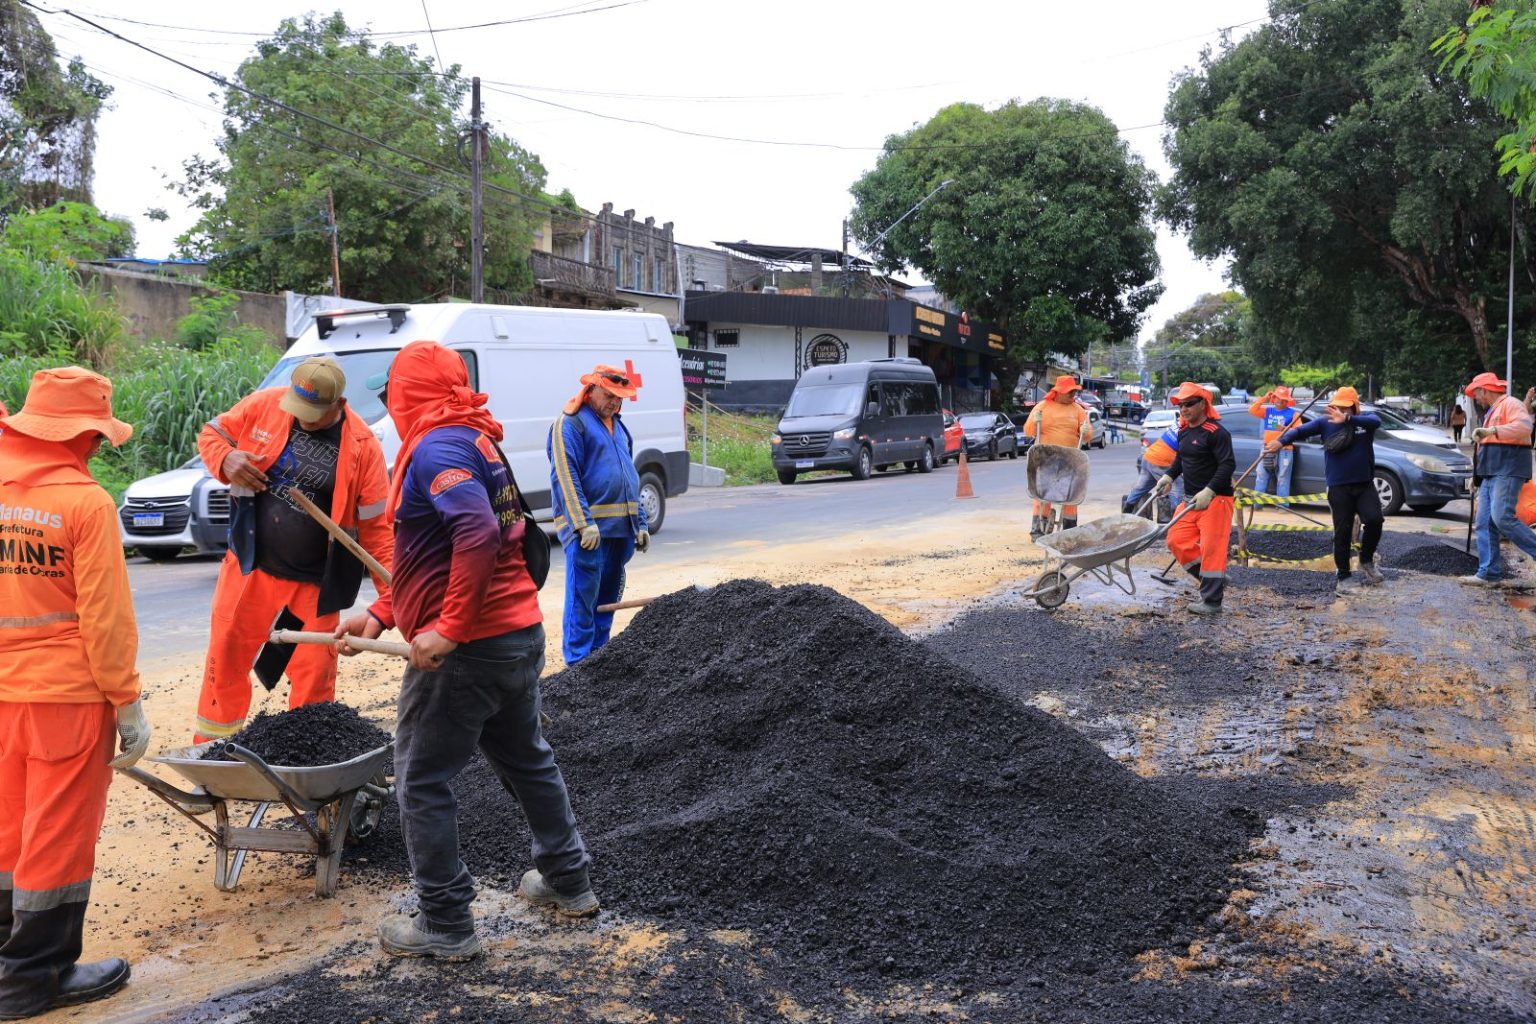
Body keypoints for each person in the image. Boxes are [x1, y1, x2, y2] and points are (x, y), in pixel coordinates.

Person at [335, 340, 595, 961]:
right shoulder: (475, 438)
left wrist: (449, 629)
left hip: (470, 652)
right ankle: (568, 880)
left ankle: (445, 921)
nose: (390, 405)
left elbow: (477, 533)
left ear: (409, 394)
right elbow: (437, 554)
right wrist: (382, 613)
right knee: (528, 761)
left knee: (420, 780)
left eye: (393, 392)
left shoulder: (437, 447)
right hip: (515, 636)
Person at [0, 367, 151, 1018]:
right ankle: (31, 980)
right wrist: (128, 702)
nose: (96, 446)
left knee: (7, 829)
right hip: (66, 697)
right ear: (80, 434)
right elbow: (106, 619)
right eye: (95, 435)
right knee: (57, 835)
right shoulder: (85, 502)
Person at [192, 357, 392, 742]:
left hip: (314, 586)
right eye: (298, 408)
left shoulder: (362, 447)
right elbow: (212, 434)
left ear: (338, 404)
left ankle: (305, 763)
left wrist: (393, 599)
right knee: (225, 662)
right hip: (250, 569)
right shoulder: (264, 405)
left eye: (313, 414)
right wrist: (226, 458)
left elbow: (377, 532)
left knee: (314, 681)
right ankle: (213, 754)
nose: (304, 419)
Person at [548, 363, 649, 666]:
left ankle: (598, 661)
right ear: (591, 389)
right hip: (589, 533)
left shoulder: (619, 427)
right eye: (609, 396)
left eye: (619, 398)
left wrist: (640, 523)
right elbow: (566, 476)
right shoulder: (570, 424)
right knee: (583, 599)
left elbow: (629, 477)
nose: (614, 403)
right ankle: (578, 665)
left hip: (620, 530)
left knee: (607, 601)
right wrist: (583, 524)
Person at [1268, 386, 1384, 596]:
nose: (1341, 410)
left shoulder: (1364, 421)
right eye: (1338, 407)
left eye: (1346, 407)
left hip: (1364, 485)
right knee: (1342, 532)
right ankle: (1343, 577)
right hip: (1338, 487)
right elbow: (1299, 431)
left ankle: (1366, 560)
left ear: (1355, 407)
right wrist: (1281, 441)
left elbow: (1376, 421)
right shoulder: (1324, 423)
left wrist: (1347, 420)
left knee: (1375, 520)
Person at [1155, 381, 1236, 615]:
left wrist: (1209, 490)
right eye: (1180, 405)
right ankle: (1213, 579)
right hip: (1190, 500)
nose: (1184, 409)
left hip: (1216, 500)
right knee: (1176, 540)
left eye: (1189, 404)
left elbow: (1227, 465)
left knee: (1212, 550)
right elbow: (1181, 460)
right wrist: (1169, 476)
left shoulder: (1216, 433)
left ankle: (1212, 602)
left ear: (1203, 404)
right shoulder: (1183, 431)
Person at [1460, 371, 1536, 587]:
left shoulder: (1511, 404)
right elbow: (1485, 447)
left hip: (1508, 469)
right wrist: (1476, 477)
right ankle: (1488, 574)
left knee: (1502, 517)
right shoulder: (1492, 411)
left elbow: (1525, 427)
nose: (1476, 399)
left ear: (1484, 390)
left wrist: (1493, 430)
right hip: (1491, 472)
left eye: (1476, 394)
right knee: (1484, 522)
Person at [1023, 375, 1092, 537]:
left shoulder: (1078, 410)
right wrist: (1034, 421)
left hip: (1070, 460)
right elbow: (1028, 431)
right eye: (1070, 392)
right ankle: (1038, 529)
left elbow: (1088, 436)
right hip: (1046, 460)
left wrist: (1085, 431)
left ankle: (1069, 530)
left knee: (1071, 496)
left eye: (1074, 392)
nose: (1073, 395)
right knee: (1043, 495)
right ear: (1059, 392)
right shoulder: (1042, 407)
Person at [1123, 419, 1183, 517]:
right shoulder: (1190, 426)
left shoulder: (1179, 421)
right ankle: (1177, 518)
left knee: (1140, 488)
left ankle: (1125, 514)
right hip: (1162, 462)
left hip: (1148, 456)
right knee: (1178, 488)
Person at [1249, 387, 1301, 499]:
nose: (1280, 401)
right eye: (1277, 398)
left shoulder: (1293, 414)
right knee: (1261, 475)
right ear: (1273, 398)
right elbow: (1252, 410)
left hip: (1285, 450)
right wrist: (1265, 398)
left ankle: (1282, 505)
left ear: (1287, 401)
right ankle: (1257, 504)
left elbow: (1300, 431)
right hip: (1267, 448)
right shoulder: (1267, 411)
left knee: (1283, 478)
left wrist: (1285, 429)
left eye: (1283, 399)